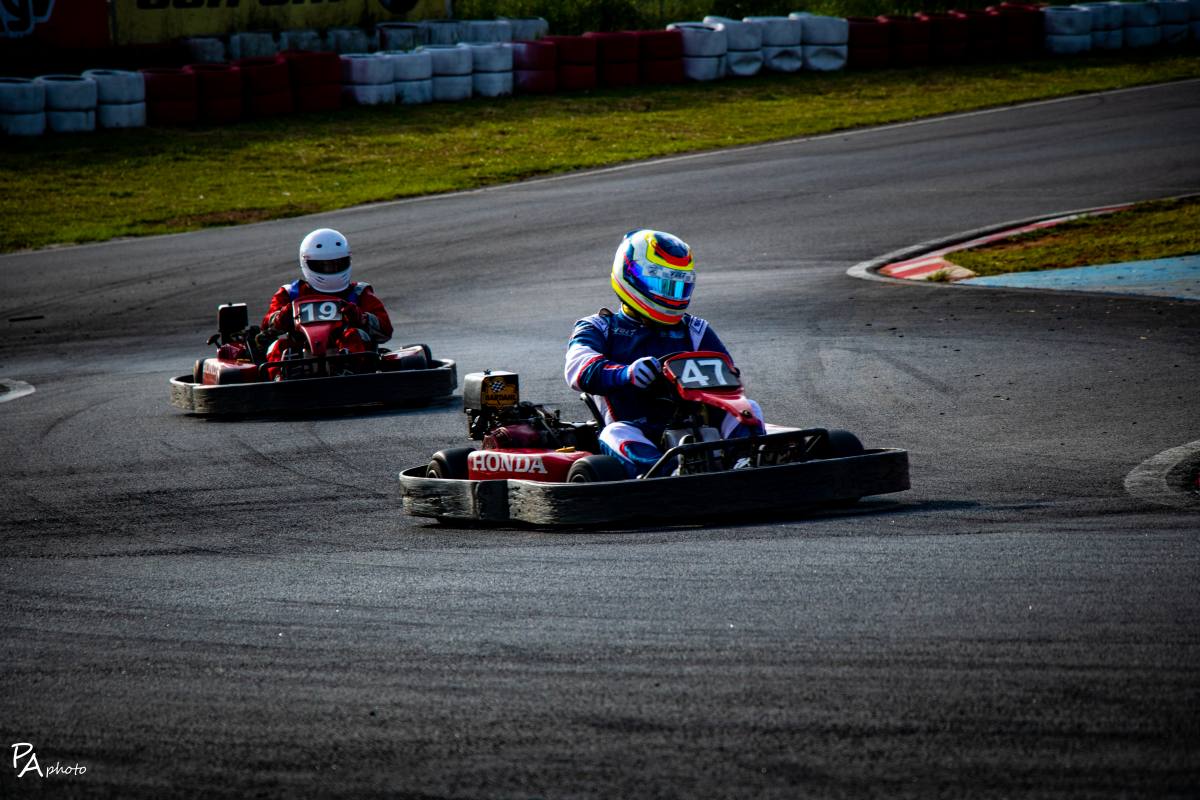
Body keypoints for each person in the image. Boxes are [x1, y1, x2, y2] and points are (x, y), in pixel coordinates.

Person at [564, 229, 764, 477]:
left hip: (698, 425)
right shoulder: (599, 327)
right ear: (630, 274)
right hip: (636, 429)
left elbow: (729, 378)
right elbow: (578, 370)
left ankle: (746, 462)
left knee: (748, 408)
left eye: (677, 287)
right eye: (662, 284)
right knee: (614, 433)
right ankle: (668, 475)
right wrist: (627, 374)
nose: (669, 295)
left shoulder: (695, 329)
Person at [261, 228, 393, 349]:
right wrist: (281, 318)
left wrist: (362, 318)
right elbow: (265, 329)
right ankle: (286, 369)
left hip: (350, 357)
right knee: (278, 346)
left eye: (338, 264)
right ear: (306, 263)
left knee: (353, 335)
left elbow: (385, 331)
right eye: (323, 266)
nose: (331, 270)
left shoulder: (359, 293)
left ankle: (348, 364)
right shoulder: (291, 293)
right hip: (302, 354)